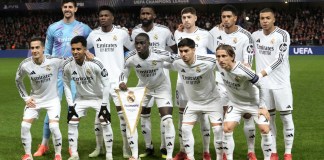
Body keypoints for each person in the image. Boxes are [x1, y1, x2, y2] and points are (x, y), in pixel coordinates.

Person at [34, 0, 92, 157]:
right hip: (56, 75)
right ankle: (44, 144)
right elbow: (46, 51)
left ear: (75, 9)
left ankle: (72, 146)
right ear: (62, 9)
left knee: (73, 109)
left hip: (75, 75)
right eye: (65, 7)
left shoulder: (84, 28)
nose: (67, 9)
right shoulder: (53, 28)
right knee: (51, 108)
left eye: (70, 7)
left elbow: (91, 48)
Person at [209, 4, 257, 159]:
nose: (226, 19)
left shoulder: (245, 36)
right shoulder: (215, 32)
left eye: (229, 16)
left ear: (235, 18)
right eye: (223, 17)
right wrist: (181, 29)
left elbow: (248, 63)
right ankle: (225, 152)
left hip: (240, 82)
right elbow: (199, 38)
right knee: (224, 117)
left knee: (247, 116)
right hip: (222, 82)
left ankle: (251, 151)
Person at [119, 33, 176, 160]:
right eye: (137, 43)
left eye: (142, 43)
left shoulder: (159, 53)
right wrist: (122, 82)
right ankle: (144, 150)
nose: (139, 46)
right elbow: (124, 72)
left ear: (148, 43)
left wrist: (168, 65)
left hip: (162, 87)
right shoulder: (130, 57)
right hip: (143, 88)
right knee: (134, 119)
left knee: (167, 120)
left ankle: (170, 156)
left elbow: (176, 59)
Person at [86, 5, 133, 158]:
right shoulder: (93, 35)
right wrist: (89, 58)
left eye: (106, 15)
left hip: (118, 82)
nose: (103, 18)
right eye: (101, 16)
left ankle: (126, 148)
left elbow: (132, 51)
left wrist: (124, 74)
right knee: (100, 118)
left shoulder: (121, 33)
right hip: (100, 82)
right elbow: (82, 48)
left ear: (112, 18)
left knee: (122, 117)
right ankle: (99, 147)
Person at [131, 5, 177, 158]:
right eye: (142, 13)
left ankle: (165, 147)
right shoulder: (135, 31)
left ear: (154, 15)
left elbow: (174, 50)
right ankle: (149, 146)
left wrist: (162, 62)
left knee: (165, 116)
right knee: (144, 114)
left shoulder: (164, 31)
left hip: (162, 78)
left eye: (148, 13)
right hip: (143, 80)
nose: (145, 16)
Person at [167, 38, 223, 160]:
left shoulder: (209, 60)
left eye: (186, 51)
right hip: (193, 102)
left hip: (212, 101)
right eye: (180, 51)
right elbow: (160, 61)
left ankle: (219, 157)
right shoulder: (177, 62)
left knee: (218, 130)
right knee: (185, 129)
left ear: (194, 50)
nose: (183, 54)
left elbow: (227, 65)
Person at [215, 44, 273, 160]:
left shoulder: (243, 71)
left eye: (224, 56)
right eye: (218, 56)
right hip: (235, 103)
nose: (221, 59)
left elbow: (262, 85)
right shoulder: (218, 64)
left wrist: (262, 106)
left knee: (264, 129)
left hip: (254, 103)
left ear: (232, 56)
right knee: (226, 128)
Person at [173, 7, 216, 160]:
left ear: (195, 18)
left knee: (204, 117)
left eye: (189, 17)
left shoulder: (205, 34)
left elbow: (216, 52)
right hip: (183, 82)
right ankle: (183, 150)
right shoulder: (177, 33)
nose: (186, 20)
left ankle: (206, 152)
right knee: (182, 118)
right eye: (183, 17)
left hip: (202, 83)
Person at [252, 8, 294, 160]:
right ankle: (274, 152)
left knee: (286, 118)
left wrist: (261, 73)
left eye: (268, 18)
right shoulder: (255, 35)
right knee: (269, 119)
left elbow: (280, 59)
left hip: (281, 84)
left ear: (274, 19)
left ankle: (288, 152)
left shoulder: (282, 35)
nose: (264, 21)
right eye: (262, 18)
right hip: (263, 87)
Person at [63, 36, 112, 160]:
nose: (75, 52)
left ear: (85, 49)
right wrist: (70, 105)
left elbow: (107, 84)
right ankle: (74, 154)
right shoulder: (68, 65)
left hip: (99, 97)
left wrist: (104, 105)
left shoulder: (95, 62)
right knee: (71, 120)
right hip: (81, 98)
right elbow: (66, 84)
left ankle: (109, 154)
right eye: (73, 49)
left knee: (104, 122)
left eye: (78, 49)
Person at [15, 37, 63, 160]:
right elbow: (18, 80)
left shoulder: (54, 60)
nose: (35, 50)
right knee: (24, 126)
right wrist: (26, 97)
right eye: (32, 48)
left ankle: (58, 155)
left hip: (52, 100)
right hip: (35, 100)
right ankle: (28, 155)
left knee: (53, 127)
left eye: (37, 47)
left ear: (42, 48)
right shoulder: (25, 64)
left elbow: (72, 61)